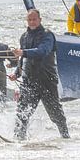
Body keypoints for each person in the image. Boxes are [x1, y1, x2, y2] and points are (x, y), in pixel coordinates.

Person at [10, 9, 69, 140]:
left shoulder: (47, 35)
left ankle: (65, 137)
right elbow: (22, 59)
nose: (32, 22)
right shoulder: (24, 37)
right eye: (29, 20)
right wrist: (17, 73)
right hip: (29, 81)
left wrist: (23, 52)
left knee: (55, 114)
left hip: (47, 80)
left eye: (34, 19)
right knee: (22, 113)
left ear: (40, 20)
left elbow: (42, 51)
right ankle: (18, 140)